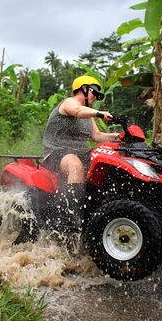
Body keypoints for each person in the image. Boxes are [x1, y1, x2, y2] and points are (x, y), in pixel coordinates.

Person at [42, 75, 119, 230]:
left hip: (82, 152)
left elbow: (97, 136)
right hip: (57, 152)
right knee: (75, 165)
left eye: (98, 95)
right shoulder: (70, 103)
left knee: (108, 165)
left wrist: (120, 137)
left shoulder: (89, 115)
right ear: (83, 89)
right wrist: (99, 113)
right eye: (95, 92)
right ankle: (70, 215)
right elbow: (77, 111)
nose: (96, 97)